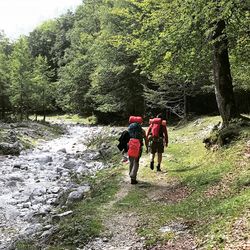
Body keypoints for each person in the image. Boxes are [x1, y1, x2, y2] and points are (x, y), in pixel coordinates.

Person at [127, 116, 148, 184]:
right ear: (140, 123)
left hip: (130, 146)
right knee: (136, 161)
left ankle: (131, 175)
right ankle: (133, 177)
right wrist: (147, 148)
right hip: (138, 147)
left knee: (131, 162)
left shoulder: (129, 129)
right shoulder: (142, 131)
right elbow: (146, 139)